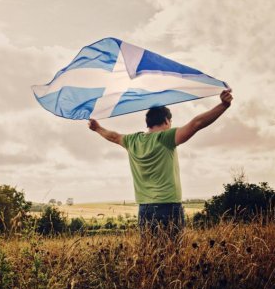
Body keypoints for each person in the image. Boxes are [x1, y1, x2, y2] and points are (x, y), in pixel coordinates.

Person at [88, 89, 233, 236]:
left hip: (144, 209)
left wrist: (97, 128)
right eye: (170, 122)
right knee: (173, 254)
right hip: (168, 206)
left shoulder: (132, 141)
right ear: (166, 120)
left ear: (148, 123)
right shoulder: (166, 138)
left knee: (150, 255)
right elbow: (197, 123)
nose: (170, 125)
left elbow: (113, 136)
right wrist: (223, 106)